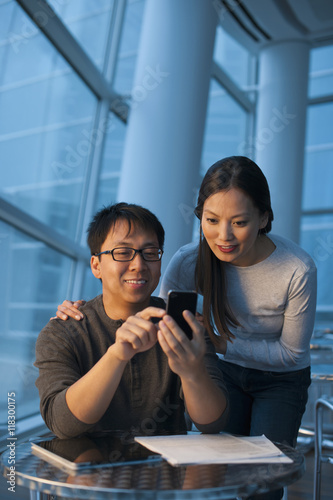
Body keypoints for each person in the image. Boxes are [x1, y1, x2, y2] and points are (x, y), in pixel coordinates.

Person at [56, 157, 317, 499]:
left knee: (263, 484)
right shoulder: (188, 261)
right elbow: (153, 312)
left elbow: (292, 353)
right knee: (224, 474)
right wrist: (84, 309)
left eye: (239, 222)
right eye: (212, 220)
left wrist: (218, 344)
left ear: (264, 218)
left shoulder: (296, 269)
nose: (223, 236)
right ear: (200, 218)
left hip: (280, 379)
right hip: (224, 373)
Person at [35, 202, 228, 440]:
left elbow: (212, 423)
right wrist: (117, 355)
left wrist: (192, 372)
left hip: (163, 471)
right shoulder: (63, 331)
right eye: (123, 253)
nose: (139, 265)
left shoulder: (184, 326)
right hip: (87, 471)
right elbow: (62, 424)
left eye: (150, 253)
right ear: (96, 265)